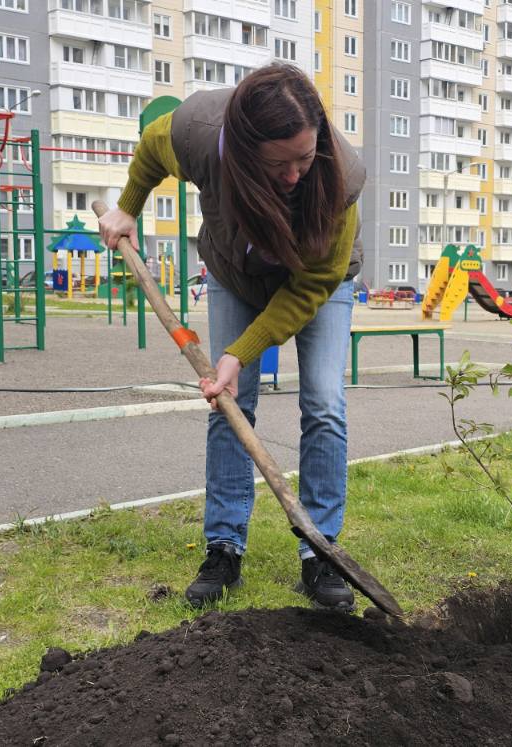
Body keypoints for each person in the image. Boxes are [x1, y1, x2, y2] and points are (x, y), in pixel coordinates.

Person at [98, 64, 366, 611]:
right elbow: (152, 148)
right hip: (233, 271)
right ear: (244, 151)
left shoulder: (342, 180)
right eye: (279, 163)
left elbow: (309, 288)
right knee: (227, 401)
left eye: (305, 157)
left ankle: (321, 553)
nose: (295, 174)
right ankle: (224, 547)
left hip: (316, 283)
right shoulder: (200, 133)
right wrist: (128, 207)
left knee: (323, 401)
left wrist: (240, 352)